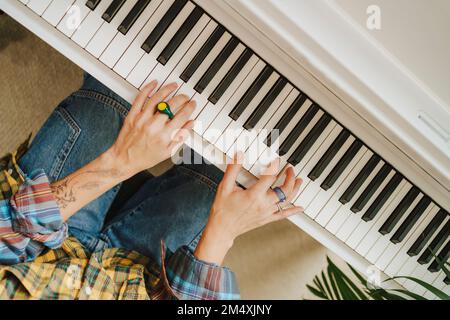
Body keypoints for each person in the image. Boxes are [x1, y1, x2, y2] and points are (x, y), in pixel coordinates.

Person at [0, 74, 303, 300]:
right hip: (140, 276)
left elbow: (5, 233)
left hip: (32, 243)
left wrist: (120, 161)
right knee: (230, 178)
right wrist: (223, 230)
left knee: (107, 106)